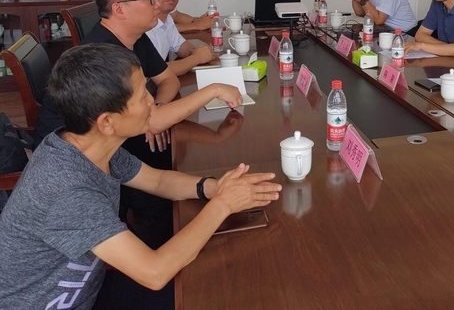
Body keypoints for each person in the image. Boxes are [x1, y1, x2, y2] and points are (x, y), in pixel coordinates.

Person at [0, 44, 281, 310]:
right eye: (141, 96)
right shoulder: (67, 190)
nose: (152, 101)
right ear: (106, 122)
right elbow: (154, 272)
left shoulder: (89, 145)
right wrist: (223, 204)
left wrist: (214, 188)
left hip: (91, 289)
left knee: (211, 275)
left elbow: (157, 181)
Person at [35, 0, 242, 248]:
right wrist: (211, 91)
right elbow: (153, 121)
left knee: (185, 154)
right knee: (180, 169)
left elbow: (168, 80)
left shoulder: (135, 37)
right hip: (85, 159)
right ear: (119, 9)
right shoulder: (103, 55)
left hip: (116, 142)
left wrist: (156, 107)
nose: (158, 3)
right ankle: (163, 245)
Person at [145, 0, 216, 76]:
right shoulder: (142, 26)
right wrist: (197, 58)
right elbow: (156, 72)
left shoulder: (167, 18)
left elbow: (181, 46)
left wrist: (194, 51)